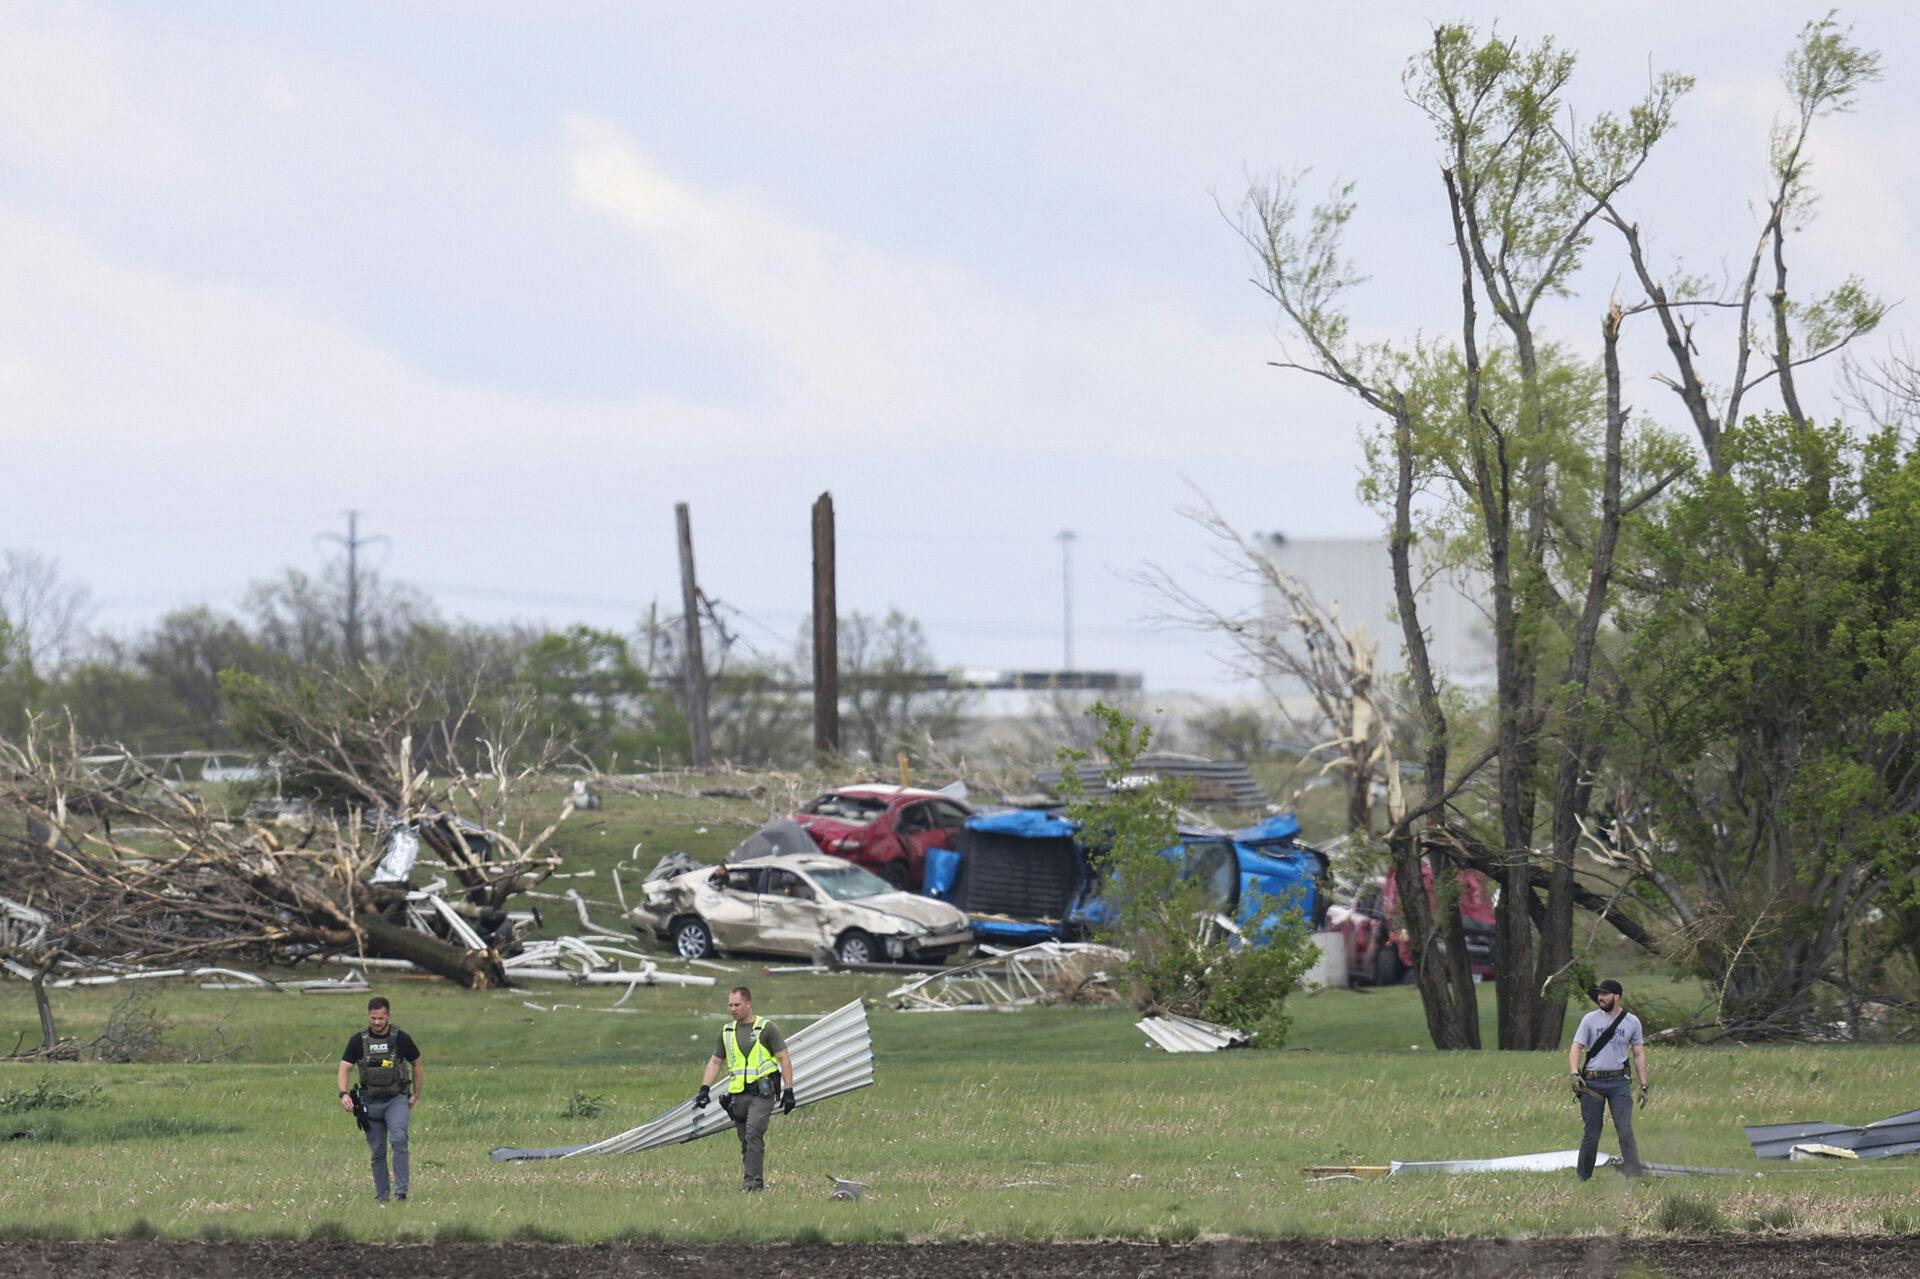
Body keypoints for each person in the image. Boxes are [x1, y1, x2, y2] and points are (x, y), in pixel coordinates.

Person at [692, 985, 796, 1192]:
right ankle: (750, 1178)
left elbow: (784, 1058)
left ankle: (753, 1183)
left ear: (748, 1004)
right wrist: (704, 1088)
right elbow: (715, 1062)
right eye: (730, 1005)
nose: (733, 1009)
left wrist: (789, 1090)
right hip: (738, 1095)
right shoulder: (727, 1031)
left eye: (737, 1004)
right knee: (745, 1141)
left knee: (753, 1134)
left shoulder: (767, 1028)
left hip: (763, 1093)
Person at [337, 995, 423, 1203]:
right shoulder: (358, 1040)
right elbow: (344, 1067)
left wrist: (416, 1094)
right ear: (369, 1016)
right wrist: (344, 1093)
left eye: (381, 1019)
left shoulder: (401, 1038)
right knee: (377, 1150)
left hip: (396, 1099)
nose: (376, 1023)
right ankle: (382, 1196)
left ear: (388, 1017)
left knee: (398, 1139)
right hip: (369, 1101)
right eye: (373, 1018)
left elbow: (417, 1064)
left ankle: (401, 1192)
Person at [1568, 978, 1648, 1180]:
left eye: (1604, 994)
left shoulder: (1632, 1022)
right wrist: (1574, 1072)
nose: (1600, 998)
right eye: (1599, 994)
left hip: (1619, 1082)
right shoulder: (1589, 1020)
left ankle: (1633, 1173)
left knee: (1625, 1130)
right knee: (1592, 1134)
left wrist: (1644, 1084)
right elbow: (1576, 1047)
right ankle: (1583, 1177)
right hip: (1592, 1083)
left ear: (1616, 996)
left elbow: (1638, 1054)